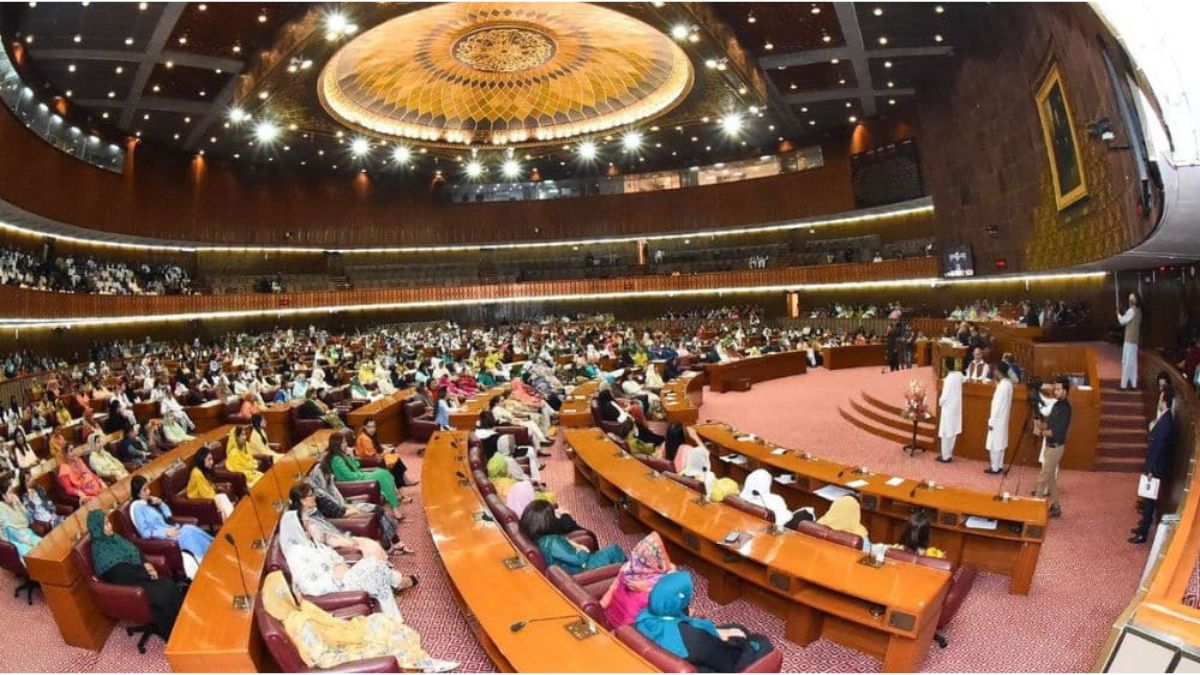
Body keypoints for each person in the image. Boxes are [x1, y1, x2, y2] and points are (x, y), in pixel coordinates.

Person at [258, 571, 457, 673]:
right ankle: (425, 664)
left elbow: (326, 624)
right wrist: (354, 643)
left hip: (342, 637)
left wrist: (341, 629)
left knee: (379, 621)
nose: (299, 592)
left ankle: (424, 661)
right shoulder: (299, 622)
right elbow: (322, 658)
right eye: (295, 589)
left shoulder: (296, 611)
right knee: (384, 640)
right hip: (338, 654)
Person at [276, 511, 414, 619]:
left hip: (342, 575)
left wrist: (340, 564)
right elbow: (309, 586)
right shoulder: (296, 554)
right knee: (375, 568)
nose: (308, 523)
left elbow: (333, 556)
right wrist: (334, 576)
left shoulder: (310, 543)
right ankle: (395, 598)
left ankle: (394, 605)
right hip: (333, 586)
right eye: (304, 521)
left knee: (374, 564)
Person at [635, 571, 775, 671]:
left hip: (679, 653)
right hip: (707, 663)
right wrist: (741, 643)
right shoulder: (696, 638)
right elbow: (730, 663)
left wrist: (717, 633)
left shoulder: (643, 617)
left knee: (736, 627)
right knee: (761, 642)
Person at [86, 509, 183, 640]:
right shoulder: (100, 550)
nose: (110, 525)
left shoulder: (114, 538)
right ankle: (172, 635)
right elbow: (119, 573)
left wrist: (147, 564)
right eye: (105, 524)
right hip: (127, 584)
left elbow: (134, 550)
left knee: (169, 585)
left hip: (137, 575)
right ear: (97, 528)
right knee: (162, 595)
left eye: (108, 522)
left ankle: (182, 624)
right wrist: (146, 572)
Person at [290, 483, 411, 559]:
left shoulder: (313, 511)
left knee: (373, 543)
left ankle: (393, 547)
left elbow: (328, 527)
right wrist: (346, 540)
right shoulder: (308, 521)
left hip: (338, 536)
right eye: (311, 495)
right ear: (302, 500)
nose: (315, 497)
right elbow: (322, 541)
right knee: (371, 547)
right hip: (334, 545)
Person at [129, 475, 213, 578]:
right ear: (137, 492)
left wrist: (160, 503)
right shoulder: (137, 508)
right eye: (144, 490)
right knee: (188, 534)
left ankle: (213, 550)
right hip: (161, 538)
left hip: (169, 530)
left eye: (148, 488)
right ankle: (205, 562)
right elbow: (144, 533)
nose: (149, 492)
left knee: (189, 528)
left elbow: (168, 515)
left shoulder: (147, 503)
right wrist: (165, 533)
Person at [519, 499, 625, 574]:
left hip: (572, 566)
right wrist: (583, 549)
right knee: (614, 550)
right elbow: (579, 559)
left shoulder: (534, 536)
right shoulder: (551, 542)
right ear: (546, 521)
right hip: (582, 569)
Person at [600, 532, 675, 628]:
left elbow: (606, 598)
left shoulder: (627, 569)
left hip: (609, 618)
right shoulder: (658, 590)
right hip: (628, 633)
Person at [328, 433, 409, 519]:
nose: (346, 444)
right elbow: (349, 476)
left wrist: (350, 455)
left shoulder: (342, 455)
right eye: (343, 442)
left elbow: (356, 465)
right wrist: (363, 475)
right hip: (354, 480)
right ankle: (396, 507)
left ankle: (396, 498)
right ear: (337, 444)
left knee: (384, 472)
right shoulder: (336, 459)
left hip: (358, 475)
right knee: (382, 475)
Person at [1131, 389, 1175, 544]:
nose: (1158, 401)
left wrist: (1150, 469)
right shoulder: (1164, 418)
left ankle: (1143, 533)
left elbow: (1158, 448)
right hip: (1153, 465)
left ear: (1164, 401)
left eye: (1160, 398)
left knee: (1149, 502)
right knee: (1147, 499)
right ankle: (1142, 525)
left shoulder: (1166, 421)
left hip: (1155, 468)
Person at [1033, 376, 1072, 518]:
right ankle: (1056, 507)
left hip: (1055, 447)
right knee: (1050, 478)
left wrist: (1040, 432)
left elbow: (1054, 431)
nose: (1055, 391)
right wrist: (1037, 422)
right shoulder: (1056, 405)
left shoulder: (1066, 409)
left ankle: (1032, 509)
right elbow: (1047, 425)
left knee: (1042, 478)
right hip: (1050, 446)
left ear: (1066, 391)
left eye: (1058, 389)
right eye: (1055, 389)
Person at [355, 418, 416, 488]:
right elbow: (373, 455)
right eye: (369, 427)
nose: (372, 429)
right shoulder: (364, 438)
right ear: (364, 427)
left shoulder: (368, 435)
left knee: (394, 456)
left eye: (373, 427)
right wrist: (385, 452)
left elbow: (377, 446)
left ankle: (403, 480)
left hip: (374, 457)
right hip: (369, 460)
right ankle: (401, 482)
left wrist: (386, 449)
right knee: (393, 458)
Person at [186, 446, 235, 521]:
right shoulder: (196, 473)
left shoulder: (203, 470)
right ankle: (230, 522)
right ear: (202, 460)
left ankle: (231, 520)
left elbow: (209, 487)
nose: (212, 462)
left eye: (211, 459)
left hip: (206, 496)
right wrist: (216, 499)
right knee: (223, 501)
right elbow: (205, 494)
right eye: (209, 459)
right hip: (199, 501)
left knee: (223, 497)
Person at [0, 475, 42, 559]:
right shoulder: (1, 509)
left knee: (44, 546)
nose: (13, 495)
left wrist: (20, 505)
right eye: (10, 492)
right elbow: (9, 530)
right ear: (2, 495)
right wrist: (24, 539)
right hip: (15, 542)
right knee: (35, 557)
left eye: (12, 492)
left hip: (28, 533)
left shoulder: (14, 501)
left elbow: (28, 520)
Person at [985, 362, 1014, 474]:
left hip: (997, 419)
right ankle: (999, 465)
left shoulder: (1002, 386)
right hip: (1003, 418)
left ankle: (994, 467)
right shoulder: (1008, 384)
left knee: (995, 443)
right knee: (1000, 442)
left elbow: (996, 406)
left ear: (998, 371)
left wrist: (991, 421)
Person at [937, 367, 965, 463]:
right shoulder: (959, 375)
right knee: (952, 432)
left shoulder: (948, 379)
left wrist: (939, 402)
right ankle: (949, 454)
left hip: (948, 408)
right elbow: (965, 379)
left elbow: (944, 396)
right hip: (956, 408)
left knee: (945, 433)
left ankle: (945, 456)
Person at [1117, 292, 1142, 390]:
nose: (1130, 301)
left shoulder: (1132, 311)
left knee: (1126, 362)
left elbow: (1122, 321)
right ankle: (1133, 384)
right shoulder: (1139, 311)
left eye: (1132, 299)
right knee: (1133, 363)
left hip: (1129, 341)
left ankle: (1123, 385)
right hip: (1135, 341)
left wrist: (1118, 314)